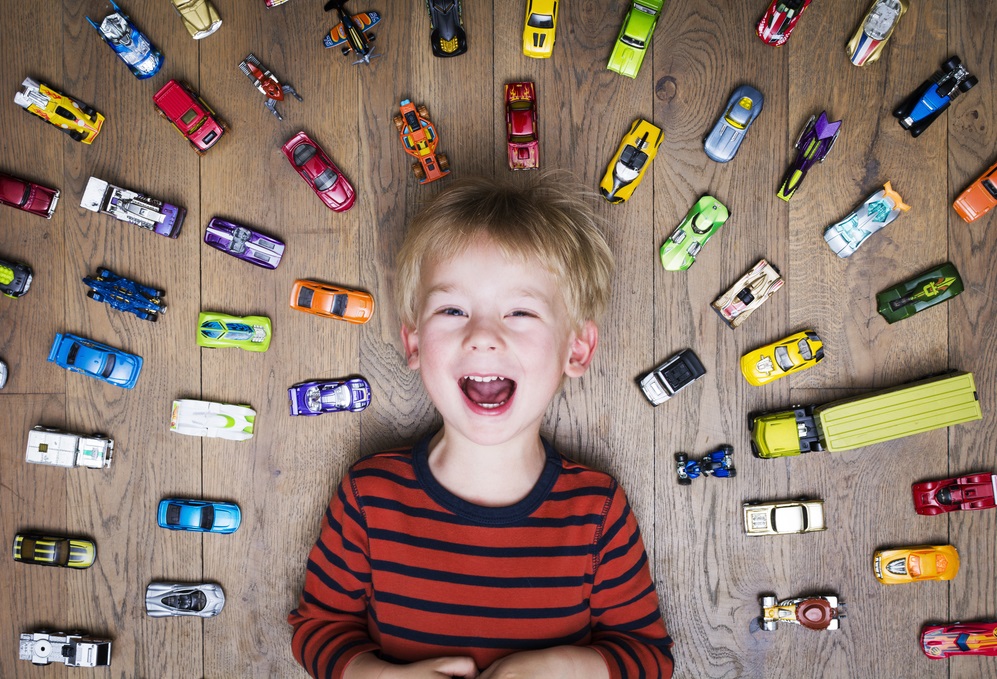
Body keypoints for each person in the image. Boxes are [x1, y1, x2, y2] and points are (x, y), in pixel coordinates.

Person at [288, 175, 674, 679]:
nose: (483, 336)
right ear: (413, 344)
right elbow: (317, 627)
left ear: (576, 349)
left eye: (520, 311)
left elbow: (649, 658)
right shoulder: (369, 496)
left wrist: (562, 669)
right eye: (452, 309)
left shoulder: (597, 512)